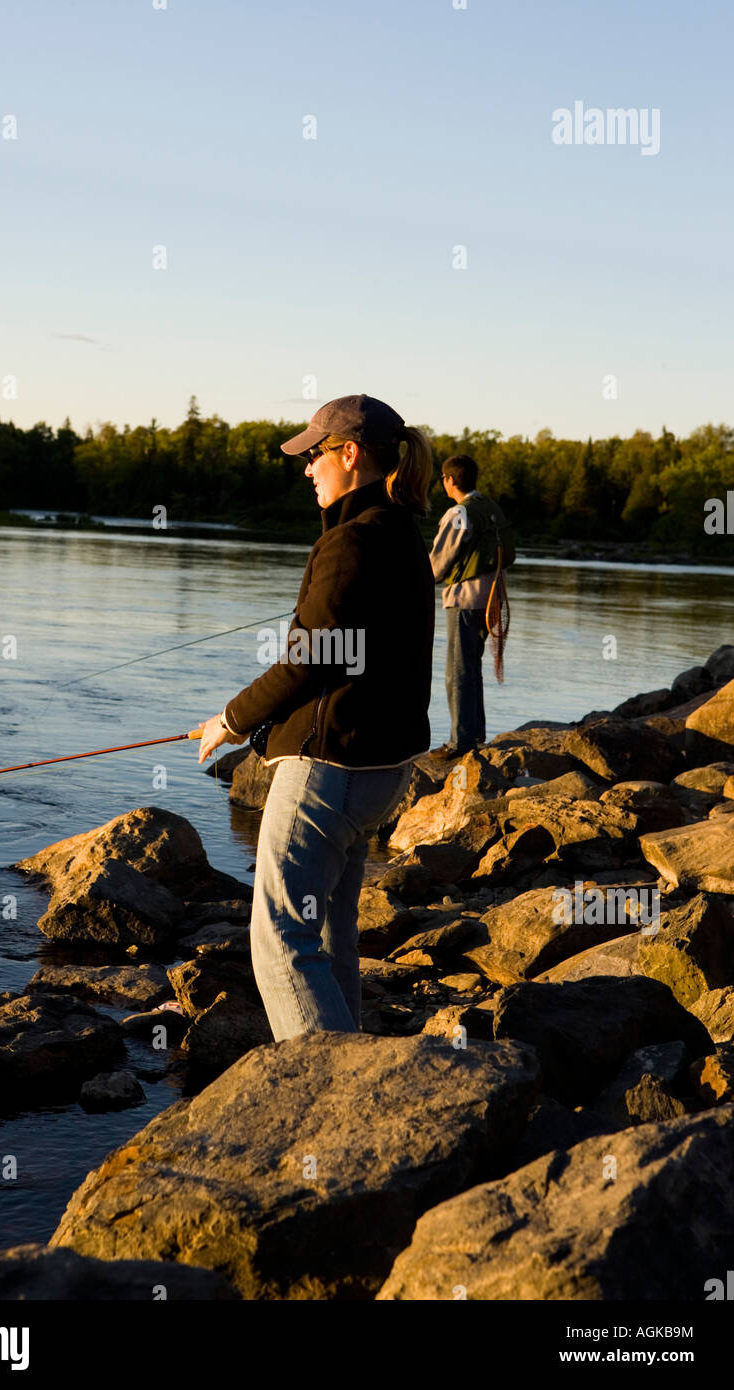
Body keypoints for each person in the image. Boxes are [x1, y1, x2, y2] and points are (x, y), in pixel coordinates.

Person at [196, 394, 435, 1041]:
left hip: (333, 770)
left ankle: (324, 1085)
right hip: (382, 770)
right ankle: (353, 1075)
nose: (307, 469)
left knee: (280, 932)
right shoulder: (404, 533)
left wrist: (232, 720)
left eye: (314, 455)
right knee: (331, 934)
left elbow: (306, 663)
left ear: (349, 455)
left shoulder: (352, 540)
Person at [428, 454, 514, 759]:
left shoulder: (460, 513)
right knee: (472, 665)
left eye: (443, 478)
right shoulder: (491, 507)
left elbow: (439, 563)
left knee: (457, 670)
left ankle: (459, 742)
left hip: (465, 599)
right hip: (492, 599)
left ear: (450, 480)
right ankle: (475, 732)